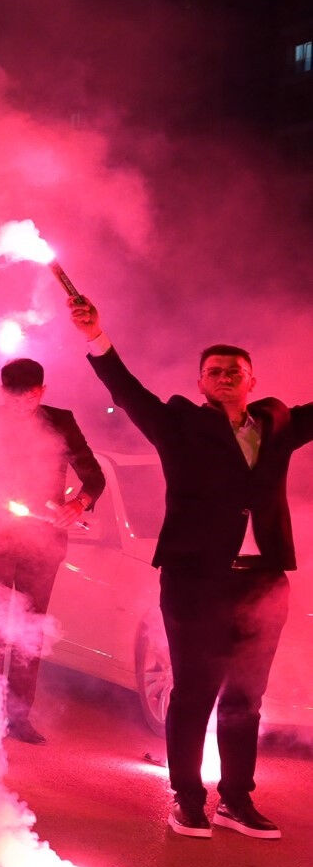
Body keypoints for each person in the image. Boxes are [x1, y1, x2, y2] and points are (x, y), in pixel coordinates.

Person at [73, 293, 311, 839]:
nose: (224, 377)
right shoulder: (179, 423)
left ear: (253, 380)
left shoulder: (277, 423)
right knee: (194, 691)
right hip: (195, 582)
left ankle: (236, 798)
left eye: (234, 371)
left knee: (247, 698)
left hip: (263, 583)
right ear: (201, 382)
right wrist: (97, 337)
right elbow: (128, 393)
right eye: (213, 372)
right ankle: (188, 798)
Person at [0, 359, 104, 746]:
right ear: (3, 393)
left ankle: (19, 716)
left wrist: (78, 503)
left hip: (43, 541)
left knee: (30, 628)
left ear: (42, 391)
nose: (22, 405)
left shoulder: (60, 422)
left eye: (30, 397)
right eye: (15, 398)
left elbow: (93, 476)